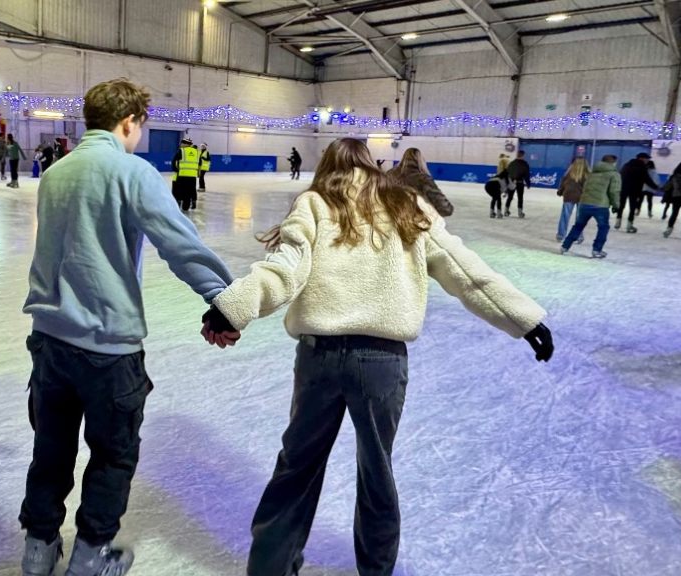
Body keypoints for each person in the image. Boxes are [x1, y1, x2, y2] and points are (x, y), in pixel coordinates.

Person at [200, 137, 553, 576]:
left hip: (319, 360)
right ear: (372, 164)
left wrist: (232, 306)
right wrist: (526, 321)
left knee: (297, 469)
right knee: (376, 475)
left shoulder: (315, 204)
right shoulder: (408, 204)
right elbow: (468, 273)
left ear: (328, 165)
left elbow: (285, 268)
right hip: (382, 365)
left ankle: (270, 567)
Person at [19, 78, 234, 576]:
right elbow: (181, 245)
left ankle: (38, 549)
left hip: (49, 342)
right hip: (107, 347)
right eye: (141, 126)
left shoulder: (56, 173)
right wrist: (226, 301)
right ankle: (91, 555)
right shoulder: (132, 172)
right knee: (113, 456)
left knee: (50, 450)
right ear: (130, 122)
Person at [560, 154, 621, 258]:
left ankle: (565, 246)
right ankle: (597, 250)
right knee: (603, 227)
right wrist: (616, 205)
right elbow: (614, 192)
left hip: (585, 203)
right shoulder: (614, 175)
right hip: (600, 205)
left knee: (578, 226)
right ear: (613, 163)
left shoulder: (593, 173)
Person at [386, 147, 454, 217]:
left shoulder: (389, 174)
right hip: (416, 220)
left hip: (391, 216)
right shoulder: (422, 179)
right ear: (421, 161)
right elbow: (443, 207)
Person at [616, 152, 658, 233]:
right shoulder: (642, 167)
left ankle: (618, 222)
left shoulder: (627, 165)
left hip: (623, 188)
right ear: (641, 158)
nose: (648, 160)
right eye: (647, 159)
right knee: (632, 207)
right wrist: (656, 187)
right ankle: (629, 225)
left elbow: (620, 175)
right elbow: (647, 179)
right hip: (635, 190)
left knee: (621, 205)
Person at [556, 158, 589, 242]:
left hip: (569, 196)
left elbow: (563, 184)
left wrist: (560, 192)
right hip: (582, 198)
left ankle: (561, 235)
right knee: (580, 218)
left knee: (565, 216)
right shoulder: (588, 175)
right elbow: (589, 188)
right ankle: (578, 236)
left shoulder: (568, 173)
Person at [171, 137, 199, 212]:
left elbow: (174, 161)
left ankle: (179, 204)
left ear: (185, 144)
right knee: (189, 191)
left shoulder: (182, 151)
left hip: (182, 175)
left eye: (182, 143)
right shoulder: (196, 152)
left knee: (180, 190)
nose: (181, 144)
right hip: (193, 176)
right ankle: (186, 207)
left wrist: (175, 169)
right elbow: (199, 163)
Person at [504, 150, 531, 218]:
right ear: (523, 155)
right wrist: (528, 183)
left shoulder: (512, 163)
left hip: (512, 182)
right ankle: (520, 212)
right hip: (520, 183)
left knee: (510, 197)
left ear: (517, 155)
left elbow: (508, 173)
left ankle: (506, 211)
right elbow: (526, 174)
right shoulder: (525, 164)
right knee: (520, 198)